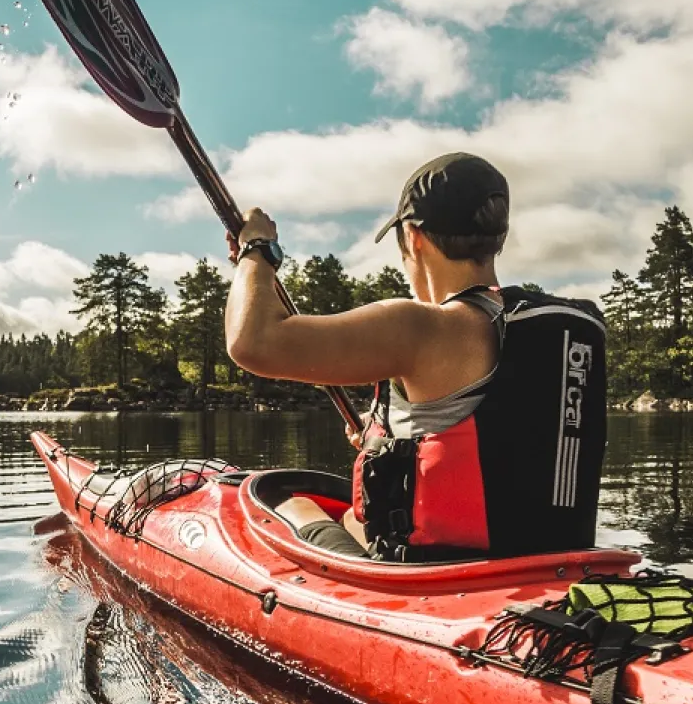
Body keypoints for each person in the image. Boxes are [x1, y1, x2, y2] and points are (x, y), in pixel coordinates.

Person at [223, 152, 607, 562]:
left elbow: (252, 341)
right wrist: (384, 441)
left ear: (414, 236)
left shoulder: (422, 326)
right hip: (558, 565)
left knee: (285, 502)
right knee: (353, 515)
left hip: (443, 577)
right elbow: (507, 434)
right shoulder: (567, 324)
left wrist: (257, 250)